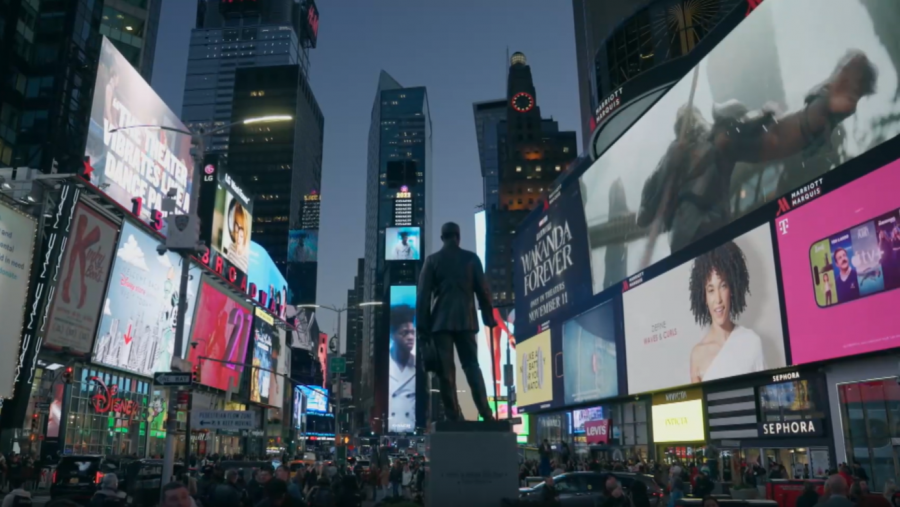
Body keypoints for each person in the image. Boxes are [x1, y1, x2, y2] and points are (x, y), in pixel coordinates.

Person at [636, 50, 877, 256]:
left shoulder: (721, 134)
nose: (691, 123)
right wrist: (670, 167)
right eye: (684, 121)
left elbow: (772, 138)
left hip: (718, 233)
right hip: (686, 245)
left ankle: (821, 111)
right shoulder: (672, 159)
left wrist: (821, 108)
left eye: (693, 118)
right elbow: (644, 217)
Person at [417, 221, 496, 421]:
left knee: (446, 372)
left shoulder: (432, 261)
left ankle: (453, 416)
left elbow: (422, 298)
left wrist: (423, 331)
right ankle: (486, 413)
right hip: (466, 321)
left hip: (440, 323)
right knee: (472, 366)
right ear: (458, 237)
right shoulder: (471, 259)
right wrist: (488, 316)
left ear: (442, 238)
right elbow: (484, 291)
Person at [688, 241, 766, 383]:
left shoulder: (752, 341)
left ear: (732, 289)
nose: (718, 299)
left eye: (723, 286)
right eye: (711, 290)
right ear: (704, 297)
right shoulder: (698, 355)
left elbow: (765, 393)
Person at [388, 304, 416, 432]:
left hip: (411, 430)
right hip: (389, 429)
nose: (410, 337)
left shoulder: (418, 365)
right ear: (392, 335)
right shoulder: (384, 366)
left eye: (412, 332)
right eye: (404, 333)